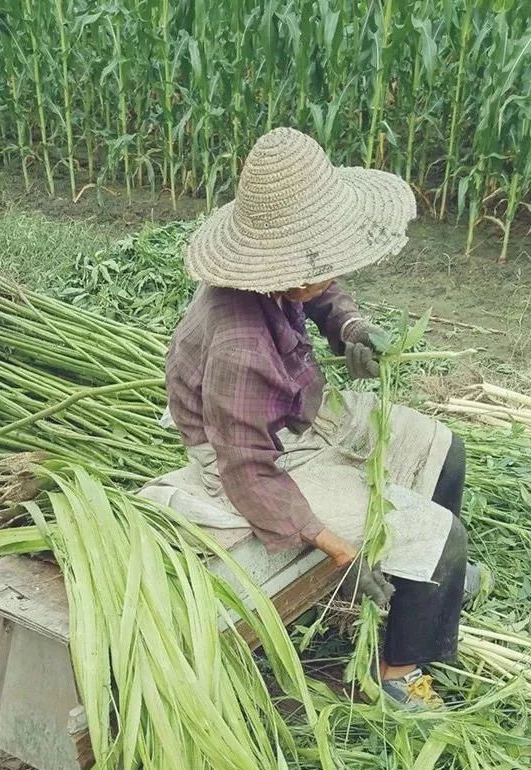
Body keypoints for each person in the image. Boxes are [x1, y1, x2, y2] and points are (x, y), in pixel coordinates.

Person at [163, 127, 477, 711]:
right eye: (324, 263)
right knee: (440, 534)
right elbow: (247, 470)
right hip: (259, 458)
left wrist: (354, 330)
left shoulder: (287, 273)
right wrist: (339, 552)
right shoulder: (239, 345)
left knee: (444, 447)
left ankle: (424, 586)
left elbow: (323, 292)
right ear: (282, 266)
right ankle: (395, 670)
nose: (331, 274)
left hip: (298, 413)